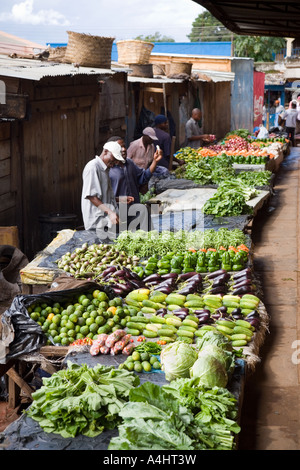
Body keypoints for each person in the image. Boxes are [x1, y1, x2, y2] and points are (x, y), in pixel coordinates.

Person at [81, 141, 125, 237]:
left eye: (116, 161)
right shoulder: (93, 167)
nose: (114, 163)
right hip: (96, 223)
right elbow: (92, 196)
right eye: (113, 159)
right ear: (105, 152)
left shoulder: (105, 169)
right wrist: (110, 212)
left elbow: (103, 195)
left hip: (106, 221)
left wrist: (119, 199)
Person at [108, 135, 162, 205]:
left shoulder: (129, 163)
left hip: (134, 207)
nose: (124, 149)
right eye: (120, 148)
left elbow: (143, 176)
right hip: (118, 210)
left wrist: (155, 161)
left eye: (124, 146)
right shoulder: (108, 170)